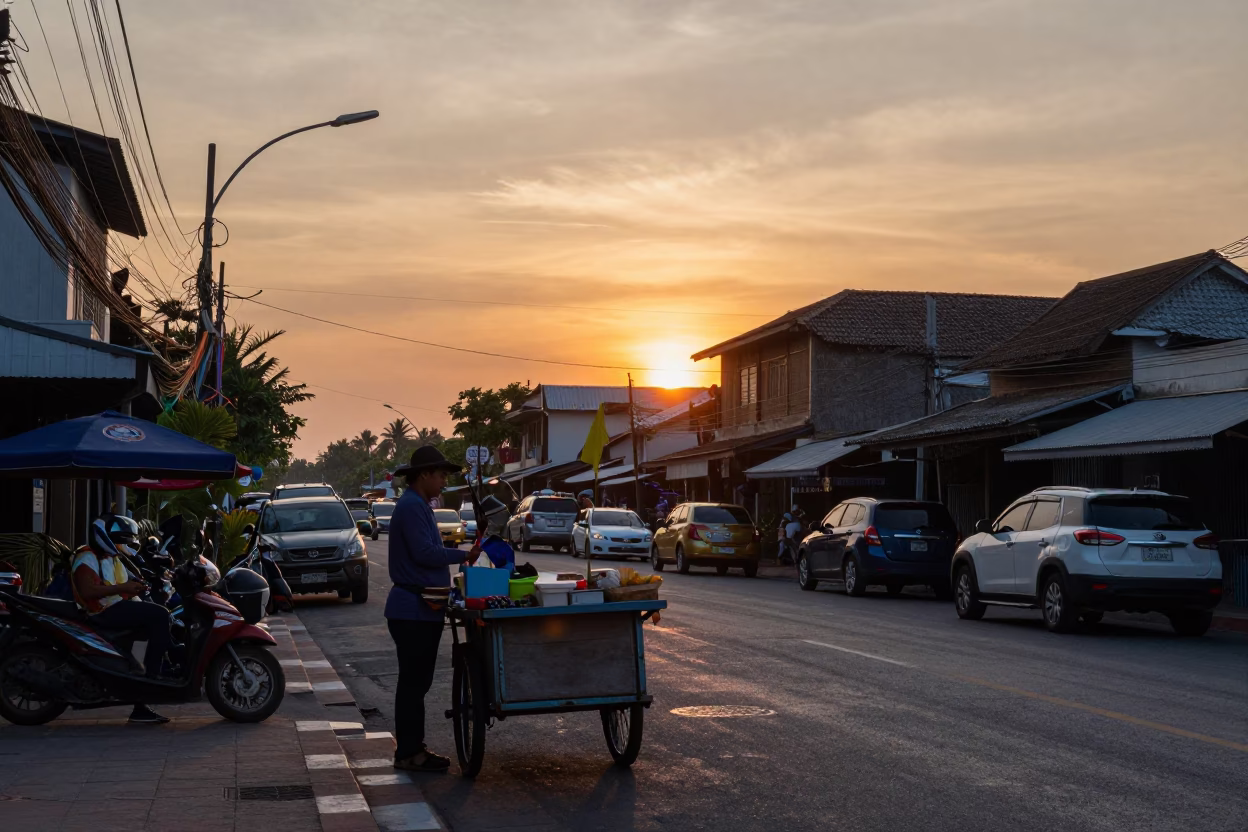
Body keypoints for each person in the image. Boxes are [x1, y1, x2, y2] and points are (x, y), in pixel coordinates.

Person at [385, 445, 481, 772]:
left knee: (416, 683)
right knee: (413, 683)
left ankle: (413, 749)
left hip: (420, 608)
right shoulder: (412, 506)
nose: (443, 481)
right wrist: (463, 556)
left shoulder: (420, 505)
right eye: (440, 475)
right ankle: (409, 753)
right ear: (424, 474)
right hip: (411, 609)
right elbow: (426, 553)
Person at [72, 514, 176, 724]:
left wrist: (137, 586)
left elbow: (126, 583)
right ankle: (152, 680)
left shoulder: (113, 558)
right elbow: (88, 591)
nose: (124, 543)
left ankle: (143, 683)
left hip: (116, 608)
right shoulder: (86, 556)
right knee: (159, 616)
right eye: (120, 539)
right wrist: (125, 588)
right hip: (101, 613)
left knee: (163, 617)